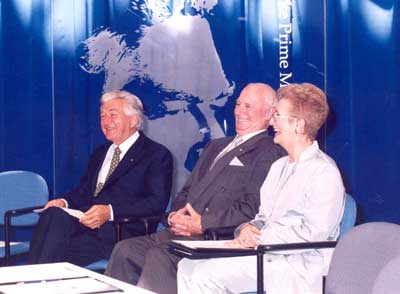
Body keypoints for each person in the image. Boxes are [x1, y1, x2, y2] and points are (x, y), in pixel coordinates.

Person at [105, 83, 286, 294]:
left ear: (270, 113)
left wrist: (203, 224)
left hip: (217, 237)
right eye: (238, 104)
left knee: (161, 256)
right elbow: (186, 190)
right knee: (124, 249)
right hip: (181, 232)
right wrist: (175, 215)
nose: (239, 111)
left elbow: (253, 208)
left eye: (248, 106)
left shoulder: (270, 152)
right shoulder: (215, 146)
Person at [177, 83, 345, 294]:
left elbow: (313, 234)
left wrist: (260, 238)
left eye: (278, 116)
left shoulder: (324, 172)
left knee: (204, 275)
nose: (272, 122)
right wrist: (245, 229)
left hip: (298, 264)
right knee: (187, 265)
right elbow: (262, 217)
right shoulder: (278, 166)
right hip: (267, 253)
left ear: (298, 125)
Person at [28, 90, 173, 266]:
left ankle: (31, 281)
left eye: (112, 115)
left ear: (134, 120)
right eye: (102, 116)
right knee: (53, 213)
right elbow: (85, 191)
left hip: (120, 232)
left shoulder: (156, 154)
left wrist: (110, 212)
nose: (105, 122)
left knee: (53, 247)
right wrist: (64, 202)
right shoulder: (100, 152)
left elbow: (155, 203)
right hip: (85, 225)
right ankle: (36, 280)